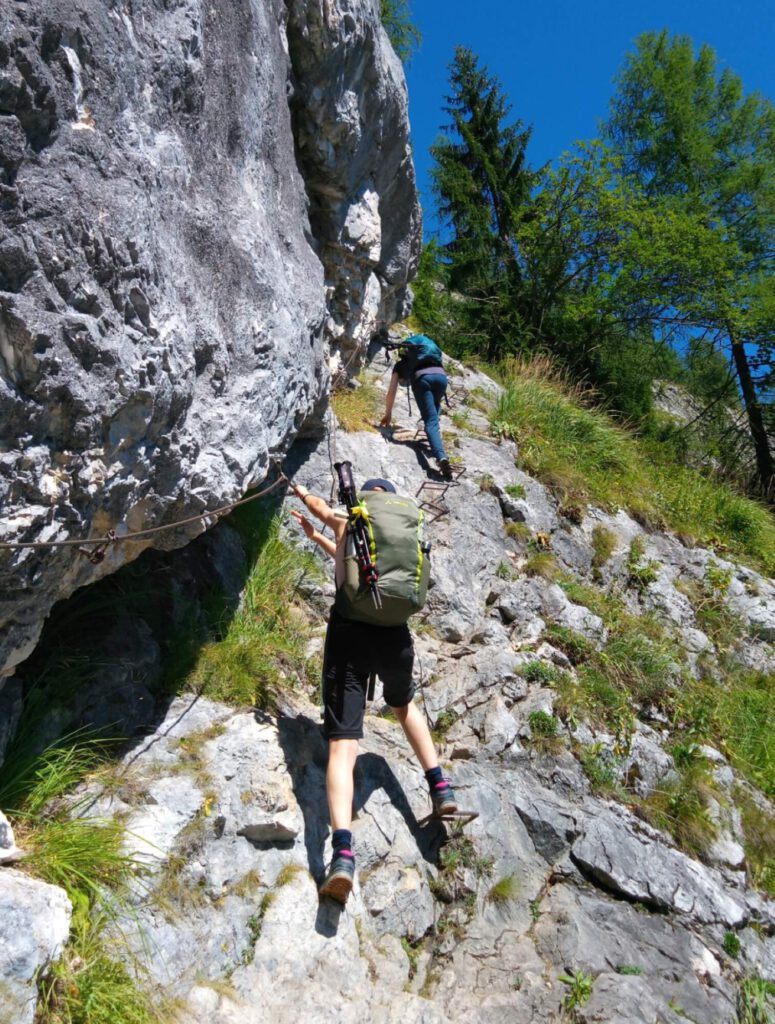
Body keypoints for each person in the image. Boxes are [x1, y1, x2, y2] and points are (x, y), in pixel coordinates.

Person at [290, 477, 458, 905]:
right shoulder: (397, 535)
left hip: (350, 636)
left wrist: (300, 493)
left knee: (343, 744)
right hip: (395, 637)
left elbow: (321, 510)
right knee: (403, 706)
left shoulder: (351, 516)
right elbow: (363, 572)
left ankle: (342, 855)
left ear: (365, 496)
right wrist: (322, 539)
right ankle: (441, 788)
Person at [379, 334, 453, 480]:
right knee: (433, 416)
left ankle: (441, 457)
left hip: (423, 380)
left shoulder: (400, 365)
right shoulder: (427, 357)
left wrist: (388, 414)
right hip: (441, 377)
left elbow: (391, 393)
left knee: (430, 422)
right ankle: (435, 443)